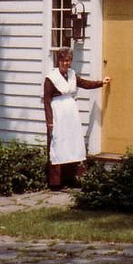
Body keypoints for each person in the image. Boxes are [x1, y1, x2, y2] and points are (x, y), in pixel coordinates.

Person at [43, 47, 110, 190]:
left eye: (68, 61)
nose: (66, 63)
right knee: (59, 145)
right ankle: (56, 183)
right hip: (58, 114)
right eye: (63, 61)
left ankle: (73, 178)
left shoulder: (72, 75)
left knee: (72, 144)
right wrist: (49, 122)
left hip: (71, 114)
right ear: (58, 61)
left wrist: (101, 82)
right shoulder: (51, 78)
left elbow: (85, 84)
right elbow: (47, 101)